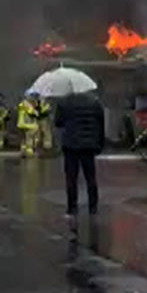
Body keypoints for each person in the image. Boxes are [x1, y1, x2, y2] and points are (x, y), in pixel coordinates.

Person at [55, 89, 104, 218]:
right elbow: (100, 123)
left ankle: (72, 208)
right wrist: (99, 144)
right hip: (89, 145)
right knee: (91, 178)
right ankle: (93, 208)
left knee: (71, 178)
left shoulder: (65, 102)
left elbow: (58, 122)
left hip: (71, 145)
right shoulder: (95, 102)